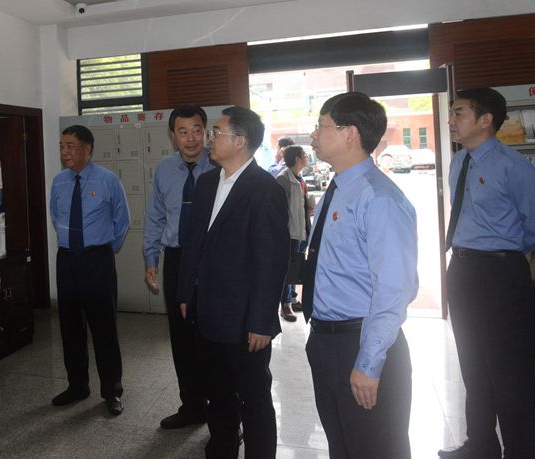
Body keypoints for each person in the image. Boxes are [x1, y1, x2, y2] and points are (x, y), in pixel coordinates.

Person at [303, 92, 417, 459]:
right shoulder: (336, 190)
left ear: (349, 133)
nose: (313, 135)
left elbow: (394, 289)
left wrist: (368, 364)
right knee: (343, 445)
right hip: (326, 340)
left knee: (376, 448)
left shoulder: (379, 198)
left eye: (321, 126)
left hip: (363, 343)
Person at [177, 106, 289, 458]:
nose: (209, 138)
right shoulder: (208, 182)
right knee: (218, 393)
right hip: (207, 314)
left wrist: (262, 321)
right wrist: (186, 293)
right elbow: (193, 243)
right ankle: (222, 448)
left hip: (244, 322)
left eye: (216, 132)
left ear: (240, 141)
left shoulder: (265, 189)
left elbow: (271, 261)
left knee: (254, 399)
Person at [437, 88, 535, 459]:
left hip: (501, 272)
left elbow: (533, 223)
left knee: (508, 369)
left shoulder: (514, 166)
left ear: (485, 119)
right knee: (472, 363)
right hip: (462, 269)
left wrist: (506, 254)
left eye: (459, 113)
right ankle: (480, 444)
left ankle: (520, 449)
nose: (451, 120)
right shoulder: (458, 162)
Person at [49, 125, 130, 416]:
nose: (65, 152)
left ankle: (112, 391)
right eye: (62, 146)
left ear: (87, 149)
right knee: (70, 327)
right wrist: (72, 244)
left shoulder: (107, 180)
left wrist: (102, 248)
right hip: (67, 260)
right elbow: (56, 216)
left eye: (70, 146)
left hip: (97, 260)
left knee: (103, 328)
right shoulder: (59, 182)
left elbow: (122, 220)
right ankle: (77, 386)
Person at [143, 106, 214, 430]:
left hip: (212, 261)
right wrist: (151, 259)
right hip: (176, 259)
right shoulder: (164, 169)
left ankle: (225, 414)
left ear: (206, 132)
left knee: (215, 338)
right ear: (173, 135)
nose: (191, 138)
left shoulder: (220, 165)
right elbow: (155, 217)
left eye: (197, 130)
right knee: (182, 337)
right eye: (183, 132)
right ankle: (192, 407)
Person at [275, 145, 309, 322]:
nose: (307, 158)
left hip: (302, 230)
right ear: (297, 159)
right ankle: (285, 304)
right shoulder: (283, 179)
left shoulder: (300, 178)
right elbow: (279, 210)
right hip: (290, 233)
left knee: (296, 266)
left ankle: (293, 299)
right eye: (304, 155)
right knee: (287, 269)